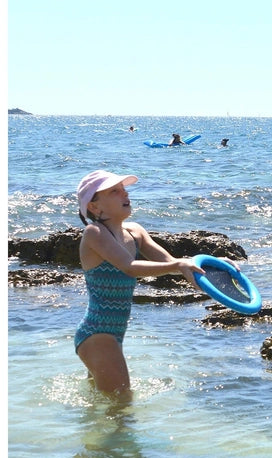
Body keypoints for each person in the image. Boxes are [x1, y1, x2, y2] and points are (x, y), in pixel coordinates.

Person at [74, 170, 206, 400]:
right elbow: (130, 266)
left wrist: (212, 267)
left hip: (114, 334)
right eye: (114, 191)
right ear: (94, 207)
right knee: (122, 404)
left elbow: (170, 262)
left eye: (123, 189)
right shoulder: (94, 232)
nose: (125, 193)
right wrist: (178, 264)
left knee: (104, 406)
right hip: (97, 333)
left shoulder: (135, 232)